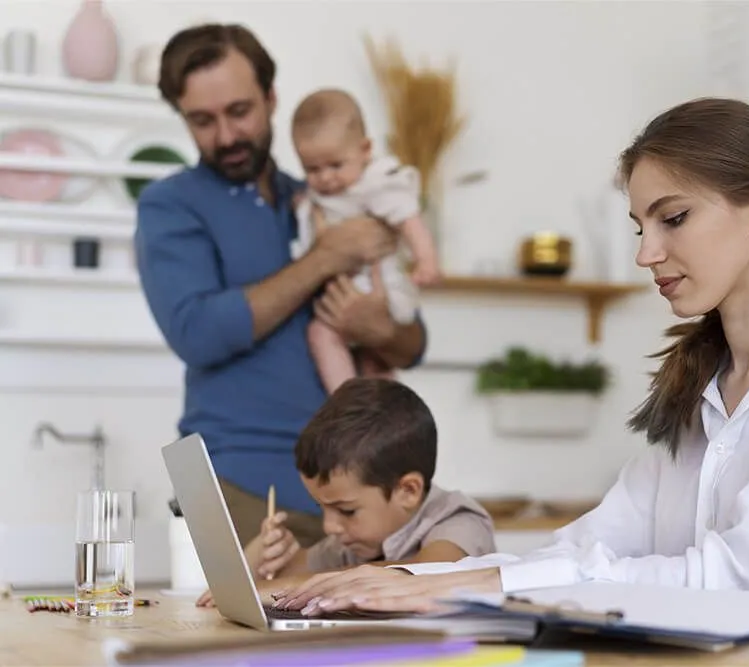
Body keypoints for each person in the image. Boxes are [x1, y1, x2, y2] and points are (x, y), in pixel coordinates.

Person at [269, 98, 749, 653]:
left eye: (673, 218)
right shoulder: (705, 390)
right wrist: (400, 578)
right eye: (639, 225)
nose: (646, 252)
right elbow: (588, 548)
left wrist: (476, 584)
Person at [136, 23, 427, 548]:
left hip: (356, 491)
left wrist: (379, 325)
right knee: (243, 631)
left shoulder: (322, 196)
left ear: (271, 99)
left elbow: (416, 341)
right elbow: (197, 333)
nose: (225, 136)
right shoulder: (169, 206)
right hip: (239, 487)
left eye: (239, 112)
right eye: (202, 121)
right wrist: (324, 258)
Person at [197, 377, 495, 608]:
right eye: (322, 508)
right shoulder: (351, 542)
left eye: (346, 511)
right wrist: (263, 552)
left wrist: (279, 589)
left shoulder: (458, 520)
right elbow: (286, 574)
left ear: (408, 491)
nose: (329, 526)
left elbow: (429, 571)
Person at [290, 88, 441, 394]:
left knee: (341, 345)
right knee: (347, 350)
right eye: (312, 169)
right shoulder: (321, 194)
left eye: (335, 166)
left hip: (378, 292)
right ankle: (359, 407)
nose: (326, 179)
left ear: (365, 149)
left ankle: (355, 406)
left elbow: (409, 219)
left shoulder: (376, 184)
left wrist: (426, 260)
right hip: (347, 296)